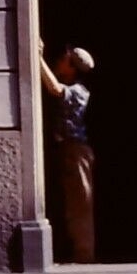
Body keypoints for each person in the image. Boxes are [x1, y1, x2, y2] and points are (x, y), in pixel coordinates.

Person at [40, 41, 97, 262]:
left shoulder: (79, 91)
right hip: (66, 149)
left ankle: (85, 255)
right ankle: (74, 251)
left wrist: (37, 58)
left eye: (63, 59)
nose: (59, 61)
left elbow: (54, 88)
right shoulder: (72, 86)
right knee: (69, 203)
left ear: (71, 67)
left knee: (80, 204)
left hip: (76, 151)